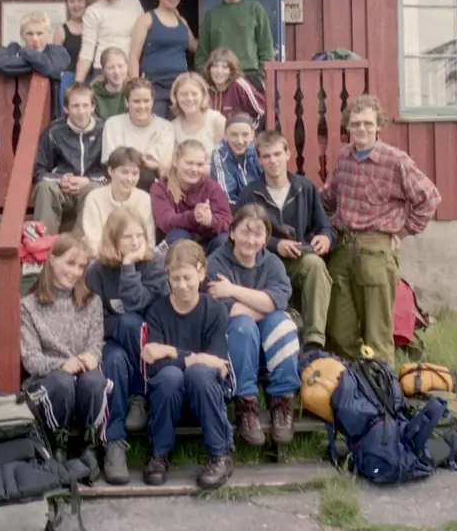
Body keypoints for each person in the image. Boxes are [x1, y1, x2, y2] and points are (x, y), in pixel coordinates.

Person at [321, 95, 441, 362]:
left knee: (377, 332)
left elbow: (429, 197)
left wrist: (403, 232)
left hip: (375, 250)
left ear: (378, 126)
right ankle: (355, 390)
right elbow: (329, 198)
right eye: (355, 124)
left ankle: (382, 393)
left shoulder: (395, 160)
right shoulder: (344, 157)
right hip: (342, 249)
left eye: (367, 123)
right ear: (348, 127)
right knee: (340, 329)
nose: (361, 129)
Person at [140, 240, 235, 489]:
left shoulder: (214, 310)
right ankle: (159, 453)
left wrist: (171, 352)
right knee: (171, 376)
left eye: (187, 277)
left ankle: (220, 453)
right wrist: (192, 357)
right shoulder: (158, 310)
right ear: (167, 277)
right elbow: (153, 362)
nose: (182, 285)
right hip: (169, 397)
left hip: (205, 395)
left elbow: (216, 363)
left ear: (202, 273)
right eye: (175, 278)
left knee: (199, 374)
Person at [85, 208, 169, 485]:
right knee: (114, 359)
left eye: (139, 236)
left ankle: (139, 395)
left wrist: (129, 266)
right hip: (110, 339)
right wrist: (117, 325)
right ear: (113, 239)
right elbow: (93, 318)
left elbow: (141, 305)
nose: (135, 242)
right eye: (127, 237)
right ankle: (114, 443)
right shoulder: (97, 270)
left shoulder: (153, 264)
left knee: (132, 322)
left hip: (147, 340)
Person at [205, 204, 299, 446]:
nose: (251, 240)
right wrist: (265, 304)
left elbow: (277, 301)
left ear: (266, 238)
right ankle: (246, 403)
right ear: (232, 232)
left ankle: (282, 401)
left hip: (267, 349)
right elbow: (229, 310)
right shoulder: (216, 263)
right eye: (245, 232)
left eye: (258, 234)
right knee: (243, 324)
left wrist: (233, 290)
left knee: (283, 323)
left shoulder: (272, 263)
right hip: (234, 345)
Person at [236, 130, 335, 354]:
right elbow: (240, 235)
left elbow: (325, 226)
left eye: (277, 154)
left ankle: (313, 342)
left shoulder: (305, 187)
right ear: (259, 160)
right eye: (267, 156)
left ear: (288, 154)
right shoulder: (250, 193)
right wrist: (274, 245)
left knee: (315, 265)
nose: (273, 161)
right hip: (262, 263)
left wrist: (325, 238)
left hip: (296, 259)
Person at [19, 234, 107, 471]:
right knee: (62, 382)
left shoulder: (92, 301)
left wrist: (92, 355)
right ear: (52, 260)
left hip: (82, 376)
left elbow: (95, 343)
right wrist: (61, 364)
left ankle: (90, 445)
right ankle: (58, 444)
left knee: (94, 380)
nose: (76, 272)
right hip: (50, 382)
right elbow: (31, 359)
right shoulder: (29, 306)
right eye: (70, 263)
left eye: (81, 266)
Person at [31, 82, 107, 234]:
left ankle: (83, 249)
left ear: (93, 107)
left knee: (94, 190)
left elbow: (111, 171)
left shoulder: (104, 130)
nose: (81, 111)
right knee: (44, 189)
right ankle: (42, 248)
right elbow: (39, 171)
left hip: (90, 186)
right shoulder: (54, 132)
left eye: (85, 106)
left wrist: (88, 180)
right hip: (62, 189)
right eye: (75, 106)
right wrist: (61, 179)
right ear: (66, 108)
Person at [196, 0, 274, 92]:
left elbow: (266, 48)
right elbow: (201, 55)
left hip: (250, 77)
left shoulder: (255, 9)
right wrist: (208, 79)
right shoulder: (211, 15)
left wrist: (262, 76)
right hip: (220, 79)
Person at [129, 0, 198, 119]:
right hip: (154, 84)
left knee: (178, 128)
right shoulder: (147, 19)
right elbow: (134, 55)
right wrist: (135, 86)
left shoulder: (182, 21)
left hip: (179, 84)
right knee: (154, 126)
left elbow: (194, 47)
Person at [151, 139, 231, 256]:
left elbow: (227, 221)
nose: (194, 169)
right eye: (189, 163)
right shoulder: (161, 187)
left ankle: (213, 273)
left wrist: (210, 220)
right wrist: (193, 216)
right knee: (178, 235)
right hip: (178, 244)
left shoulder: (211, 187)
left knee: (223, 239)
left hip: (208, 242)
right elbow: (165, 221)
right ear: (175, 162)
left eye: (199, 164)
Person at [78, 147, 156, 256]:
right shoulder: (94, 198)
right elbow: (93, 242)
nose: (130, 179)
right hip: (103, 259)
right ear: (110, 171)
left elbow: (149, 240)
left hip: (137, 258)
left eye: (135, 173)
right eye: (124, 172)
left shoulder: (144, 199)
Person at [101, 78, 175, 191]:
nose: (142, 106)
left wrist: (131, 156)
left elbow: (162, 166)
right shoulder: (113, 124)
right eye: (136, 101)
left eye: (146, 101)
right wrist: (144, 160)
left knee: (146, 177)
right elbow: (114, 160)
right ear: (127, 102)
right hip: (118, 180)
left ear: (152, 101)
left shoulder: (166, 127)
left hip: (152, 183)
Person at [75, 0, 145, 83]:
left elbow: (143, 34)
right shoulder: (93, 11)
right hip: (103, 68)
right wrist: (78, 82)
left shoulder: (134, 4)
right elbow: (87, 49)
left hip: (128, 67)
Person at [0, 11, 72, 80]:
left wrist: (25, 52)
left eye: (39, 33)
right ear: (21, 35)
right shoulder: (12, 49)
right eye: (29, 33)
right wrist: (39, 65)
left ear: (48, 34)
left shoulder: (59, 51)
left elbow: (51, 69)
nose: (35, 39)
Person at [203, 47, 265, 129]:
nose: (219, 71)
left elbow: (262, 111)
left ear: (232, 70)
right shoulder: (204, 88)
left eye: (224, 67)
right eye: (215, 66)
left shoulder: (239, 85)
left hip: (238, 138)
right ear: (209, 69)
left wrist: (249, 132)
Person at [169, 72, 226, 158]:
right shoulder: (173, 127)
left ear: (203, 96)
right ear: (175, 97)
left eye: (194, 94)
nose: (189, 98)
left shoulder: (218, 121)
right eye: (183, 94)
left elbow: (225, 159)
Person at [210, 113, 263, 206]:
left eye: (245, 134)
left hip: (263, 209)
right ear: (225, 135)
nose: (240, 141)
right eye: (234, 135)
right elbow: (226, 197)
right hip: (236, 213)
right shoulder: (219, 156)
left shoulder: (259, 152)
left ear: (252, 135)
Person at [53, 0, 89, 66]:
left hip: (94, 77)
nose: (76, 5)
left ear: (86, 1)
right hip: (69, 77)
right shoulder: (61, 31)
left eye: (80, 0)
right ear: (66, 4)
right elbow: (56, 61)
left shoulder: (93, 27)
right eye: (72, 1)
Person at [90, 47, 129, 121]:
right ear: (103, 70)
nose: (117, 72)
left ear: (127, 67)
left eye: (120, 66)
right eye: (111, 68)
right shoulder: (93, 94)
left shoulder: (133, 91)